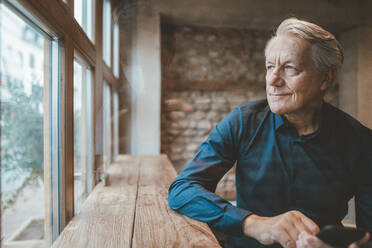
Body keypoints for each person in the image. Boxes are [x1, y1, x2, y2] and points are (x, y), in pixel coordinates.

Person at [168, 17, 372, 248]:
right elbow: (183, 188)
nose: (273, 80)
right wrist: (253, 223)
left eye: (290, 68)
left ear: (326, 77)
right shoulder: (242, 121)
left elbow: (368, 235)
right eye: (269, 67)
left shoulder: (362, 143)